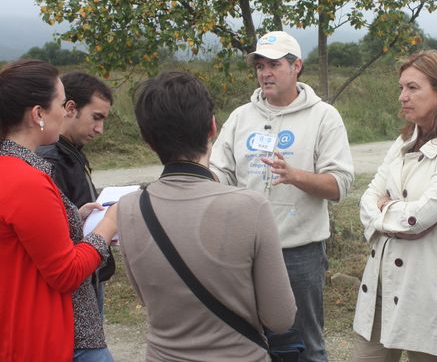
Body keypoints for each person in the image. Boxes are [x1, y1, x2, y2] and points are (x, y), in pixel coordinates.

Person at [116, 71, 296, 361]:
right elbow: (281, 318)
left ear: (148, 140)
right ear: (212, 128)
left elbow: (147, 298)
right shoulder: (250, 207)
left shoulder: (128, 208)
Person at [210, 31, 354, 362]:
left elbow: (340, 184)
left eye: (274, 64)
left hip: (299, 253)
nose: (265, 73)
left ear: (297, 66)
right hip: (245, 251)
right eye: (260, 65)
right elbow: (222, 173)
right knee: (252, 343)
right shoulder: (241, 118)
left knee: (306, 345)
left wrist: (295, 176)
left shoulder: (323, 117)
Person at [351, 50, 437, 361]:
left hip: (429, 287)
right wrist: (393, 212)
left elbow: (419, 218)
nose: (402, 97)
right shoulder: (404, 140)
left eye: (413, 88)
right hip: (383, 282)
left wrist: (388, 211)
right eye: (401, 88)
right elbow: (367, 198)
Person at [0, 59, 118, 362]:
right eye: (60, 103)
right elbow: (66, 273)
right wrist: (109, 224)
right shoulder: (26, 180)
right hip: (47, 335)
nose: (65, 112)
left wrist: (70, 218)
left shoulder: (12, 169)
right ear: (38, 114)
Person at [36, 72, 116, 361]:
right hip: (75, 283)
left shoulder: (71, 151)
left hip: (89, 273)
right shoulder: (50, 160)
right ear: (70, 108)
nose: (100, 129)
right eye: (95, 117)